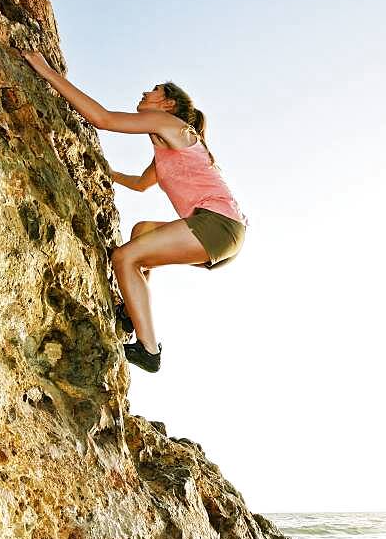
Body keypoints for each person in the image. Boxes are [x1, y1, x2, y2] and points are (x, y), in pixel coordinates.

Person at [20, 50, 247, 373]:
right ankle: (132, 309)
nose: (145, 93)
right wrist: (104, 171)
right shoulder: (167, 146)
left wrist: (47, 73)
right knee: (142, 230)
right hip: (223, 232)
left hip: (217, 225)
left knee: (124, 258)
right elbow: (141, 183)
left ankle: (148, 349)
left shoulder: (170, 124)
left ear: (168, 103)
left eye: (155, 90)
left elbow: (104, 119)